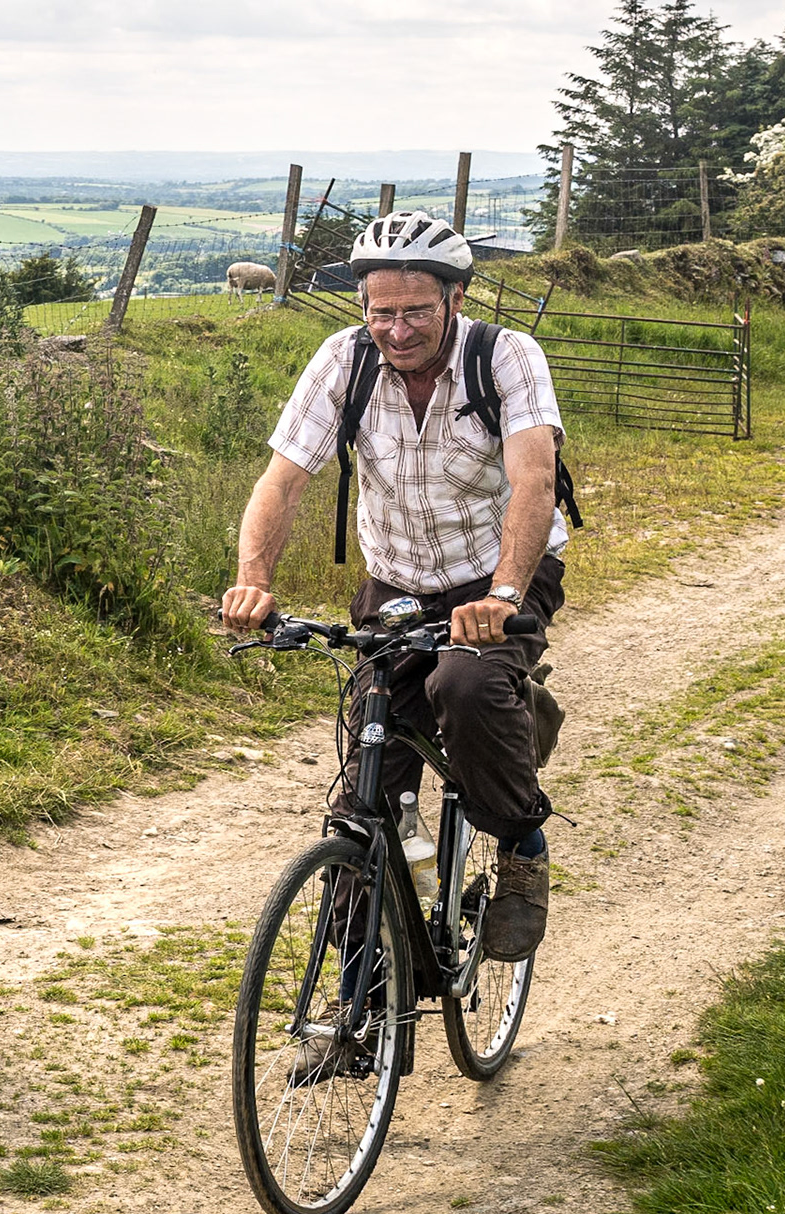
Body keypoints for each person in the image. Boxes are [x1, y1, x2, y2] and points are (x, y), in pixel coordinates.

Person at [221, 210, 566, 968]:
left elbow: (534, 483)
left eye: (415, 311)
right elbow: (282, 481)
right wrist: (253, 581)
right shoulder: (344, 361)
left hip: (497, 574)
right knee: (365, 789)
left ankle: (521, 843)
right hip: (395, 583)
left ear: (455, 299)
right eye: (381, 312)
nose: (397, 330)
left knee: (465, 687)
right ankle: (363, 989)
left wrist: (504, 595)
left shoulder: (505, 356)